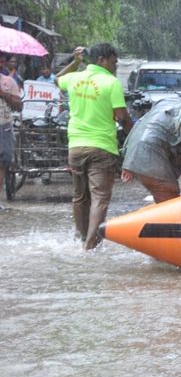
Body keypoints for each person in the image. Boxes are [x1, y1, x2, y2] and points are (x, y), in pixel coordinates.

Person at [56, 44, 133, 250]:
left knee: (80, 196)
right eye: (113, 62)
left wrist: (76, 61)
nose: (115, 66)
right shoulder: (111, 82)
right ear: (101, 59)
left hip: (76, 147)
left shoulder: (75, 78)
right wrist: (133, 137)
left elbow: (57, 80)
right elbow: (122, 117)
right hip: (101, 148)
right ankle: (90, 245)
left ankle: (82, 239)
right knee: (99, 197)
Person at [121, 85, 181, 203]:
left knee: (164, 194)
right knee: (169, 193)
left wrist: (128, 160)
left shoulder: (170, 101)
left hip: (134, 150)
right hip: (150, 155)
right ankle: (164, 221)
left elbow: (141, 122)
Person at [0, 67, 22, 203]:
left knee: (2, 164)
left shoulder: (8, 82)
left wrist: (3, 94)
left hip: (4, 128)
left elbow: (19, 106)